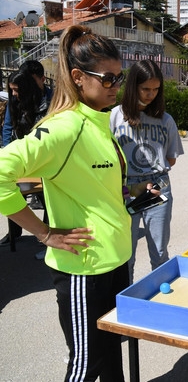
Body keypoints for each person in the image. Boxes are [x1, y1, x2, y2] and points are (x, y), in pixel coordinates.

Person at [0, 25, 130, 381]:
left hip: (115, 262)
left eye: (120, 78)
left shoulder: (100, 121)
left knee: (110, 357)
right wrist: (44, 234)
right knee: (86, 365)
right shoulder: (64, 128)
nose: (116, 86)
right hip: (84, 270)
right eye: (108, 79)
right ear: (77, 77)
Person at [111, 59, 183, 279]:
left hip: (157, 186)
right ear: (133, 86)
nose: (150, 94)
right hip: (126, 188)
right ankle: (127, 300)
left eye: (155, 89)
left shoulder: (165, 119)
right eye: (145, 89)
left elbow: (171, 159)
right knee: (126, 254)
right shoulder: (114, 116)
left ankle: (160, 299)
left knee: (159, 252)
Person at [0, 71, 49, 247]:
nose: (13, 94)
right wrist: (8, 151)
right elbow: (8, 127)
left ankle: (46, 235)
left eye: (16, 90)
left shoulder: (44, 103)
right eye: (11, 90)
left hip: (38, 158)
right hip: (19, 156)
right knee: (13, 195)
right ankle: (14, 232)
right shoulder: (13, 102)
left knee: (48, 199)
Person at [2, 60, 53, 148]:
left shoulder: (53, 99)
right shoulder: (16, 98)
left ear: (43, 79)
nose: (29, 85)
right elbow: (8, 125)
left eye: (32, 81)